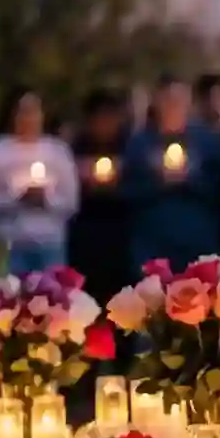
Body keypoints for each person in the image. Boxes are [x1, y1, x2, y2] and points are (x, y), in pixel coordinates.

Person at [121, 73, 220, 269]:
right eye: (167, 100)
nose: (173, 106)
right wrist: (158, 182)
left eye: (179, 100)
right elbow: (127, 191)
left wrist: (191, 179)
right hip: (151, 240)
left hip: (197, 237)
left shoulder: (207, 142)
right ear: (156, 102)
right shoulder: (140, 144)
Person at [0, 86, 78, 274]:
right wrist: (17, 199)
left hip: (49, 245)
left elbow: (71, 203)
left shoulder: (58, 153)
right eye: (23, 112)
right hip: (6, 244)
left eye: (34, 111)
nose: (28, 118)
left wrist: (45, 200)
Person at [68, 88, 134, 296]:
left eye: (110, 117)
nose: (104, 124)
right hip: (87, 233)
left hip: (120, 233)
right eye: (99, 118)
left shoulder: (129, 147)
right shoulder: (77, 148)